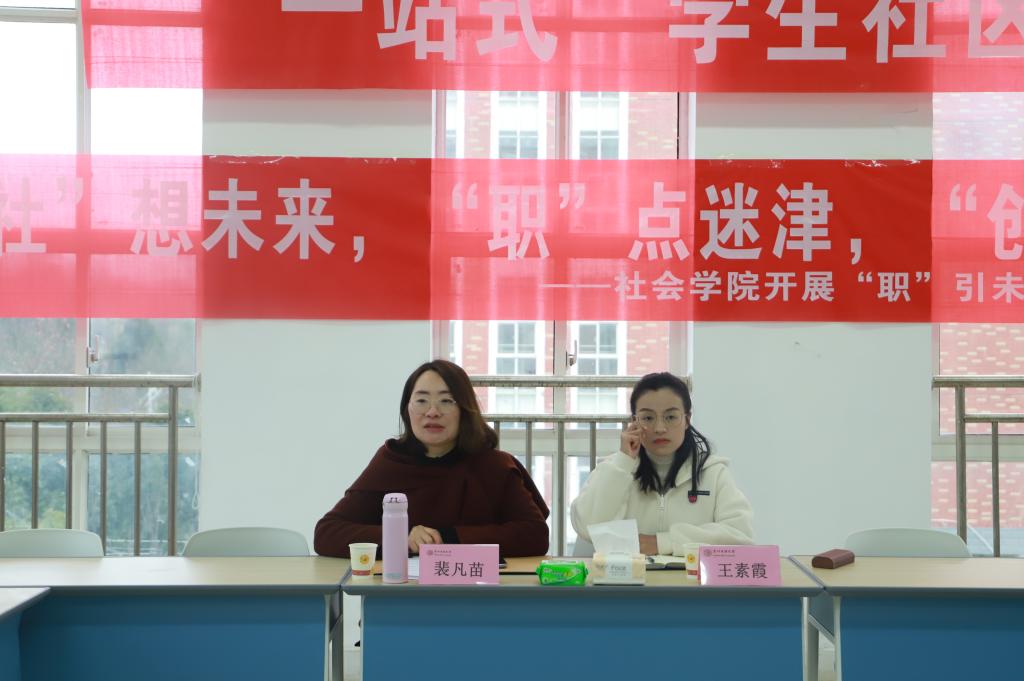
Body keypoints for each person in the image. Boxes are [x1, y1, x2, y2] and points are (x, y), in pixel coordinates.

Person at [314, 359, 550, 558]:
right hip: (403, 591)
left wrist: (448, 537)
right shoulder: (391, 462)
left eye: (446, 401)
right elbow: (327, 532)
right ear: (407, 409)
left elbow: (535, 534)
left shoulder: (493, 466)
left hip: (480, 591)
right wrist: (402, 538)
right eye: (421, 401)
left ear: (465, 410)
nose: (432, 412)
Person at [570, 372, 752, 555]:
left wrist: (662, 542)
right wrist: (623, 462)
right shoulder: (616, 468)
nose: (659, 428)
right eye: (648, 418)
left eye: (671, 417)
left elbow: (740, 536)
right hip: (627, 573)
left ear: (687, 420)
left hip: (691, 574)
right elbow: (587, 527)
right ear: (634, 422)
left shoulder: (713, 473)